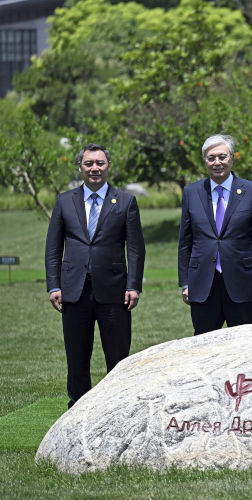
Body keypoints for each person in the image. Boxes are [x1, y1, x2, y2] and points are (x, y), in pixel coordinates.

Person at [45, 143, 145, 408]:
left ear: (108, 166)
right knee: (77, 357)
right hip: (74, 291)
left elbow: (135, 249)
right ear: (80, 167)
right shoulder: (64, 201)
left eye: (100, 163)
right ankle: (77, 408)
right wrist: (54, 285)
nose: (94, 168)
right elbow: (53, 248)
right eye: (89, 163)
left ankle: (118, 407)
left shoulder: (125, 201)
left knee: (117, 356)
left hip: (114, 291)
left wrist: (134, 285)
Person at [178, 134, 252, 335]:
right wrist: (185, 282)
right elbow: (185, 242)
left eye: (222, 157)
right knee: (203, 346)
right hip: (203, 284)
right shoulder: (191, 192)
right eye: (211, 158)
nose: (217, 162)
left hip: (243, 284)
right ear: (205, 161)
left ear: (231, 158)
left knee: (245, 346)